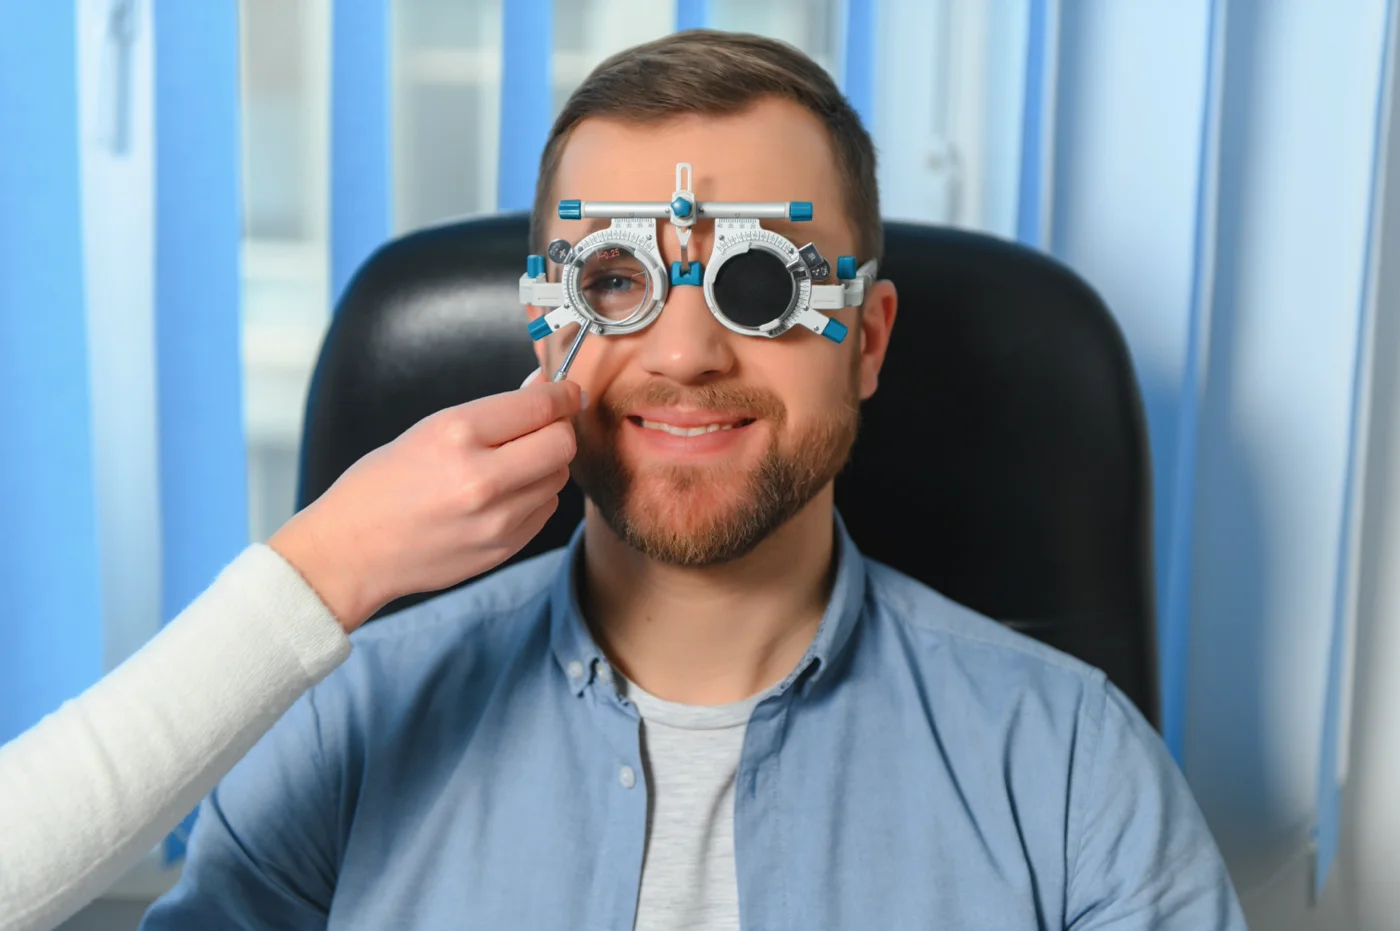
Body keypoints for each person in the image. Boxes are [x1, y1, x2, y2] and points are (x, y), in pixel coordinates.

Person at [141, 30, 1248, 931]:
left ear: (864, 340)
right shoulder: (351, 722)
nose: (682, 355)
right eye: (614, 278)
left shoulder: (1066, 766)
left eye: (756, 279)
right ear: (544, 326)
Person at [0, 371, 582, 931]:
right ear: (543, 312)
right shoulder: (337, 720)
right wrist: (336, 556)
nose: (678, 358)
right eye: (614, 279)